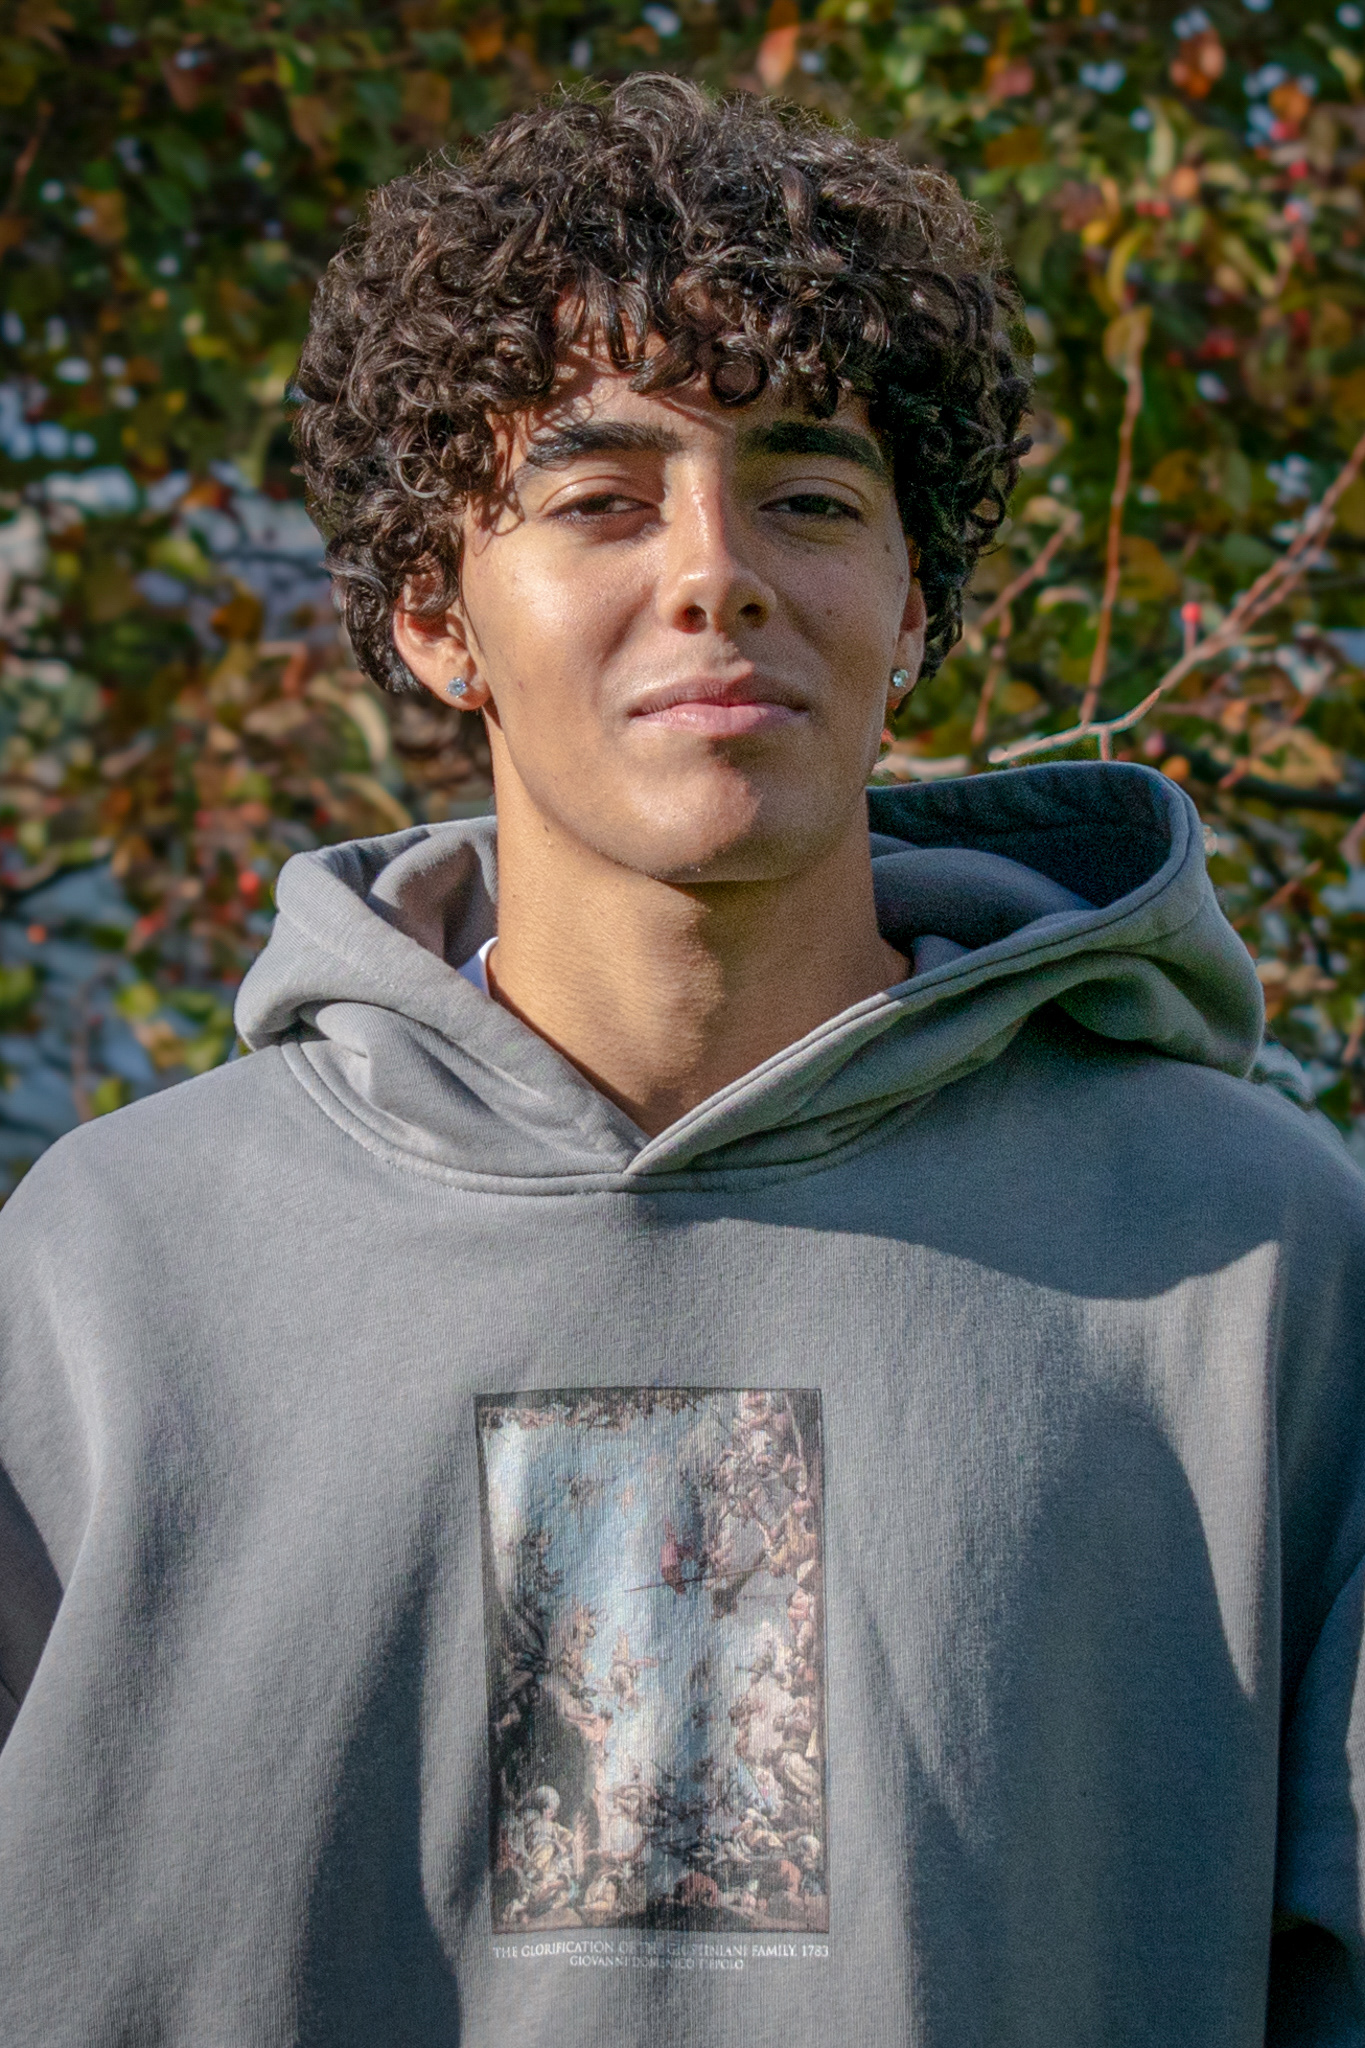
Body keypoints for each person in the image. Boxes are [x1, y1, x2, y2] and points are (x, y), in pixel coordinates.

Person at [0, 73, 1362, 2048]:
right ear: (430, 616)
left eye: (806, 497)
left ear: (911, 601)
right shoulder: (107, 1276)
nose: (715, 571)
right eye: (599, 500)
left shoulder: (1254, 1262)